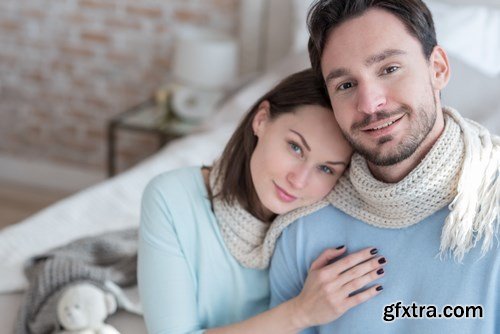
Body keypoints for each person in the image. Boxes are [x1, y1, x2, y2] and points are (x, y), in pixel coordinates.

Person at [269, 0, 500, 333]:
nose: (370, 104)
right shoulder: (303, 228)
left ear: (438, 69)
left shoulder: (491, 204)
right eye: (345, 85)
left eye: (389, 69)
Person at [138, 69, 387, 334]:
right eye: (295, 147)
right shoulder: (171, 198)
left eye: (326, 169)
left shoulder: (321, 224)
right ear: (261, 119)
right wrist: (300, 313)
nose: (299, 181)